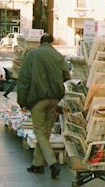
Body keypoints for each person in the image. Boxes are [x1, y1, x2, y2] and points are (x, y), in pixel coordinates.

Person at [17, 34, 70, 179]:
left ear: (40, 42)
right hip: (54, 99)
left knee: (39, 132)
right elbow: (67, 77)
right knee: (45, 133)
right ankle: (38, 164)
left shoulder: (33, 55)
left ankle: (52, 163)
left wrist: (22, 101)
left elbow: (24, 79)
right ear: (51, 42)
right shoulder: (59, 56)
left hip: (37, 99)